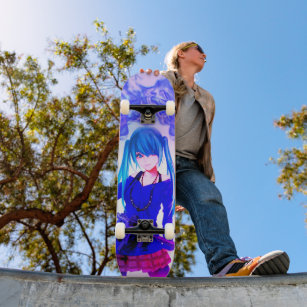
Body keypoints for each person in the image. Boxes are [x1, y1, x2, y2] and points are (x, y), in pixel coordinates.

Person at [140, 41, 290, 277]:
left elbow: (203, 141)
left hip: (189, 166)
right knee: (149, 209)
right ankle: (143, 259)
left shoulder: (207, 99)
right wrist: (146, 86)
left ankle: (225, 265)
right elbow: (140, 111)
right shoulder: (161, 80)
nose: (203, 54)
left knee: (208, 196)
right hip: (157, 159)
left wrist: (197, 183)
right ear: (181, 53)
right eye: (198, 50)